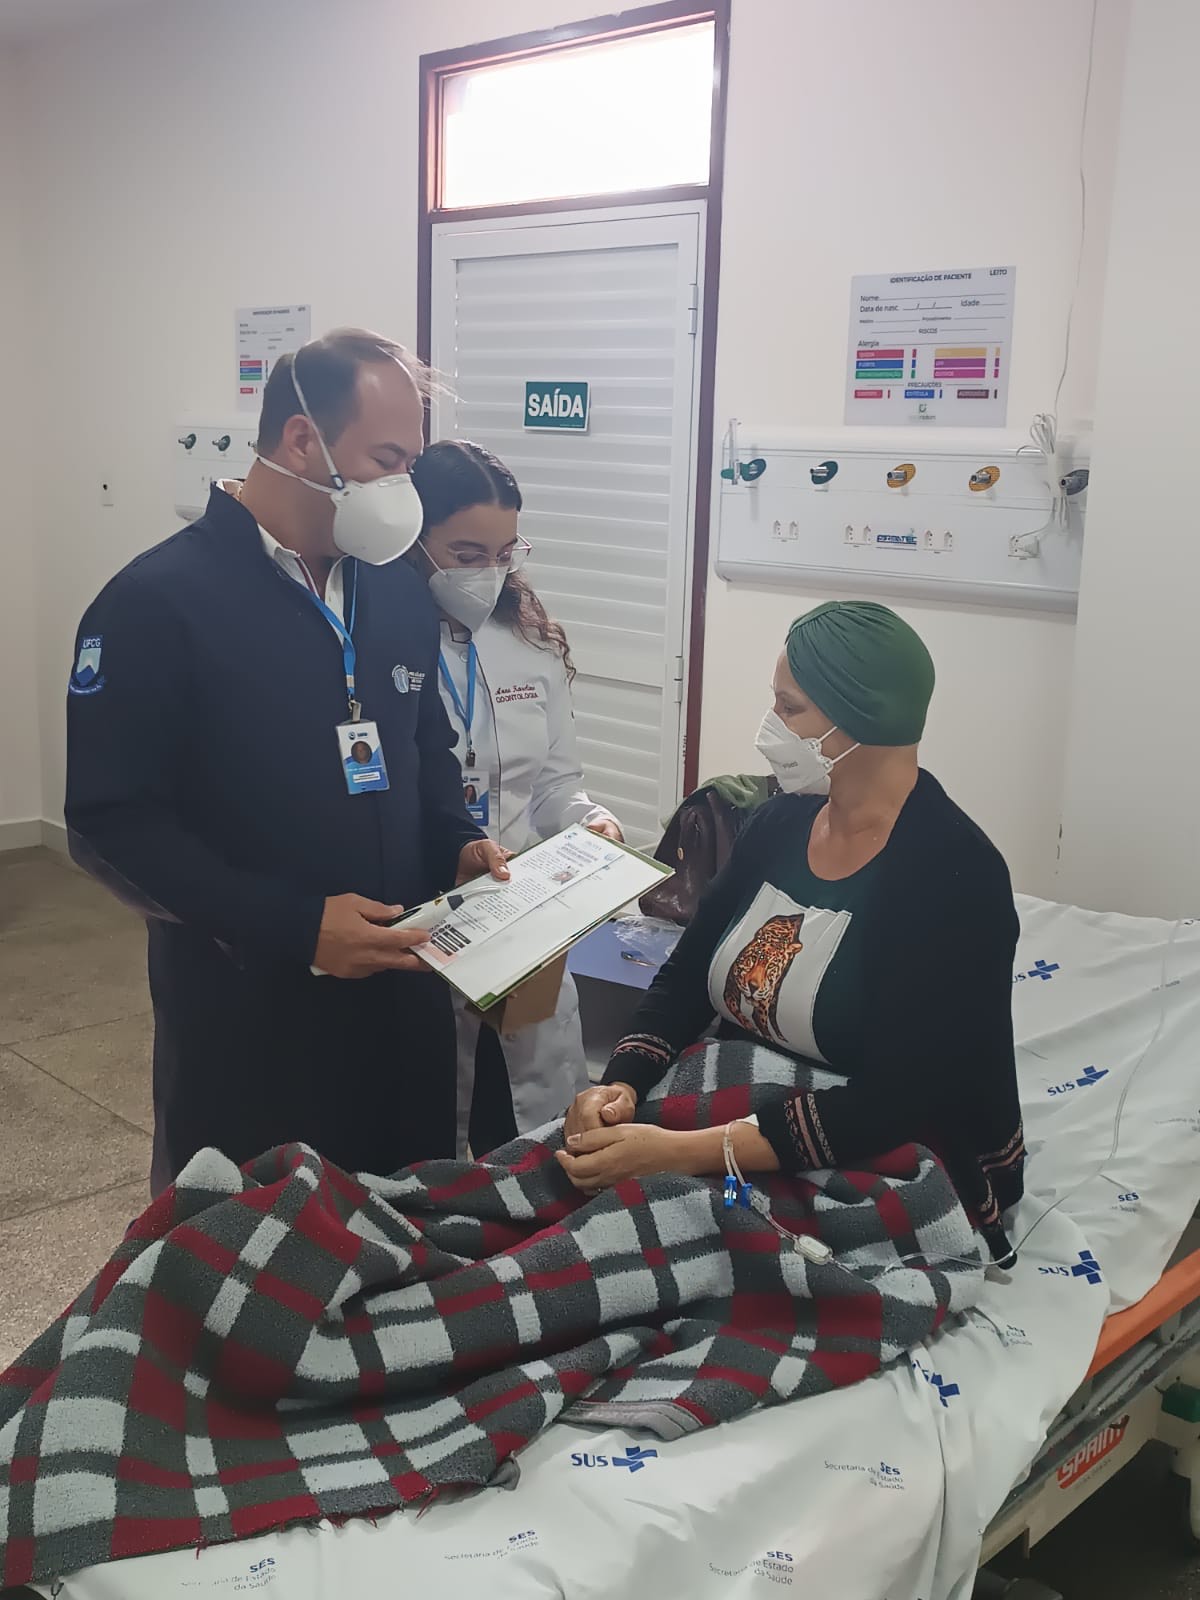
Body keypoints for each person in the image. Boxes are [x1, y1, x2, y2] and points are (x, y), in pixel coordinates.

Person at [65, 328, 508, 1193]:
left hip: (401, 999)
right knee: (254, 1244)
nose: (403, 490)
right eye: (387, 461)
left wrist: (457, 840)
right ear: (303, 440)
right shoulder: (157, 603)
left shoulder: (394, 589)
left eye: (411, 464)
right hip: (250, 1011)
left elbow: (426, 750)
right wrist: (293, 925)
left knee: (398, 1232)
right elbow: (111, 827)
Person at [559, 600, 1025, 1263]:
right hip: (742, 1106)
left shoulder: (954, 875)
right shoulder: (778, 825)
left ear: (863, 717)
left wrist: (680, 1154)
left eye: (790, 708)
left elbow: (896, 1102)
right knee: (565, 1182)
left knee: (629, 1246)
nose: (769, 728)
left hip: (877, 1146)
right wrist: (622, 1085)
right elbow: (686, 978)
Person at [409, 440, 622, 1153]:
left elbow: (555, 784)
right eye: (466, 555)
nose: (490, 574)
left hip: (522, 922)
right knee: (436, 1137)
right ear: (413, 538)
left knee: (537, 1131)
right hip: (427, 924)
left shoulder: (529, 643)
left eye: (505, 554)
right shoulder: (387, 645)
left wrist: (589, 819)